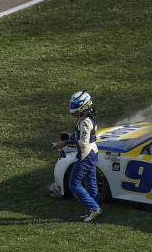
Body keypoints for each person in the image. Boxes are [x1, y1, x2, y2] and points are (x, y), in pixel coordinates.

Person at [56, 91, 102, 222]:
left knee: (73, 184)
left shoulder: (85, 121)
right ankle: (94, 209)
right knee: (90, 183)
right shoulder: (88, 118)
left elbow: (83, 142)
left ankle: (94, 208)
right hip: (92, 153)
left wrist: (64, 143)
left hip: (86, 155)